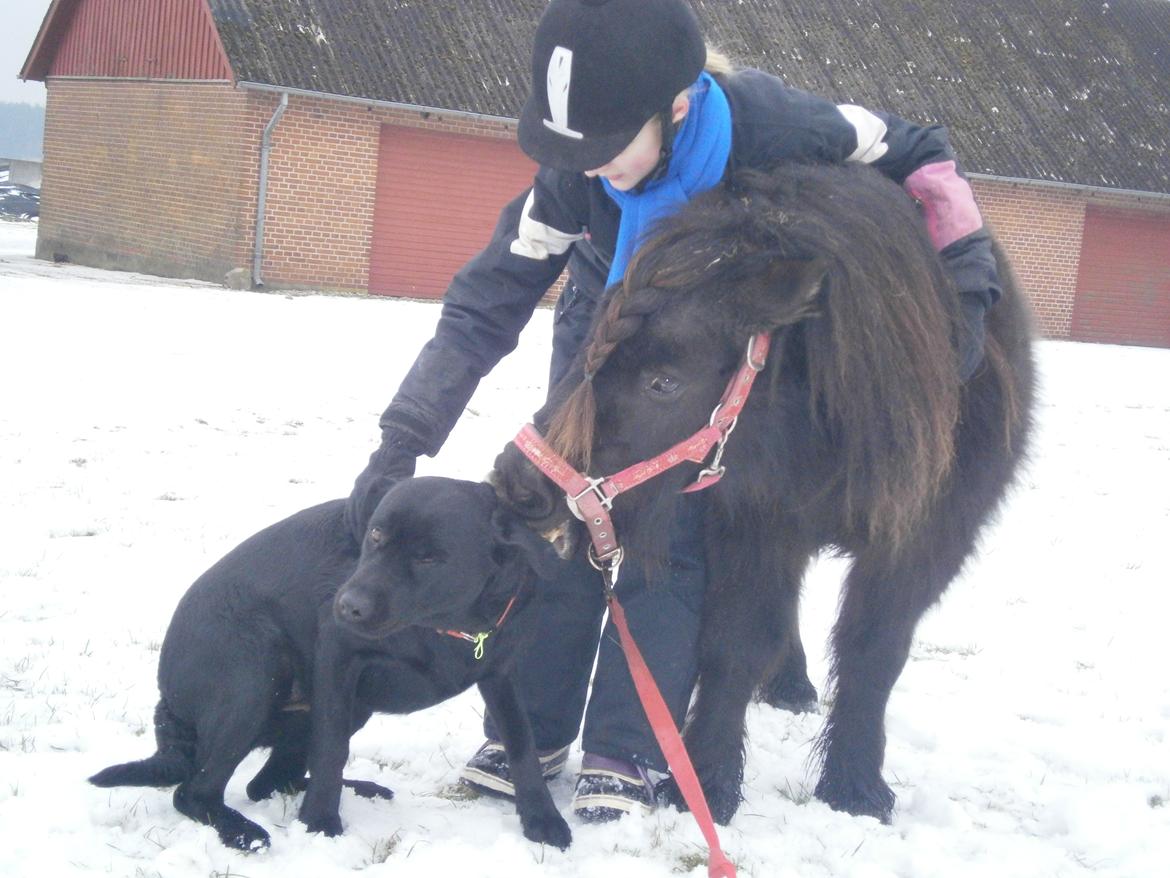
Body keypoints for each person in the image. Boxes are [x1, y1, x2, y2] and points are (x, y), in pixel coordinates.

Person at [344, 0, 1001, 823]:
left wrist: (969, 278)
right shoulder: (576, 180)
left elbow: (923, 152)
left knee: (675, 538)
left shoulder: (775, 122)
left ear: (677, 107)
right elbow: (486, 302)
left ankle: (627, 746)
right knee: (563, 512)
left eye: (603, 152)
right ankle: (536, 732)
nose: (588, 171)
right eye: (570, 153)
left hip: (711, 337)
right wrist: (403, 438)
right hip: (605, 320)